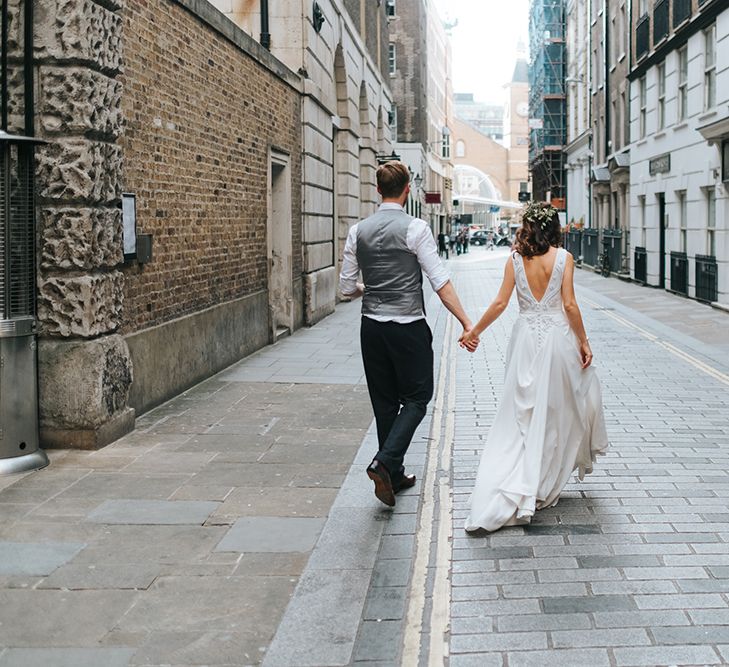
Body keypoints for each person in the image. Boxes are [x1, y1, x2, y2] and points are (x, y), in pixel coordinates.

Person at [460, 201, 608, 532]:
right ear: (553, 227)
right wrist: (583, 341)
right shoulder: (564, 259)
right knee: (557, 409)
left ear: (527, 226)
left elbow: (500, 302)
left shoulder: (515, 259)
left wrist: (475, 331)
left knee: (522, 412)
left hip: (526, 337)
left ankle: (521, 475)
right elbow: (569, 304)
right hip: (557, 338)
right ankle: (541, 480)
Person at [339, 161, 478, 507]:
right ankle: (385, 463)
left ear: (377, 190)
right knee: (417, 397)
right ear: (407, 190)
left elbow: (344, 288)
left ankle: (394, 475)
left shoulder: (358, 231)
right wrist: (465, 322)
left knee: (385, 402)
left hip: (371, 327)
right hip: (408, 327)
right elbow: (439, 281)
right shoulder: (416, 229)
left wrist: (368, 287)